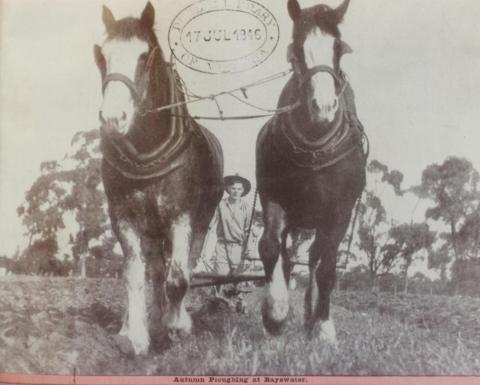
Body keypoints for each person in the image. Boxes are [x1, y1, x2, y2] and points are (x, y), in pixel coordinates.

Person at [201, 174, 254, 276]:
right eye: (233, 188)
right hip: (222, 247)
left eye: (239, 189)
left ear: (242, 191)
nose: (235, 191)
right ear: (228, 189)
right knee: (222, 277)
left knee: (236, 282)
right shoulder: (220, 206)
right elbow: (211, 228)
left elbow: (248, 231)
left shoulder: (247, 209)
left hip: (239, 248)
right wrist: (205, 250)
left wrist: (249, 252)